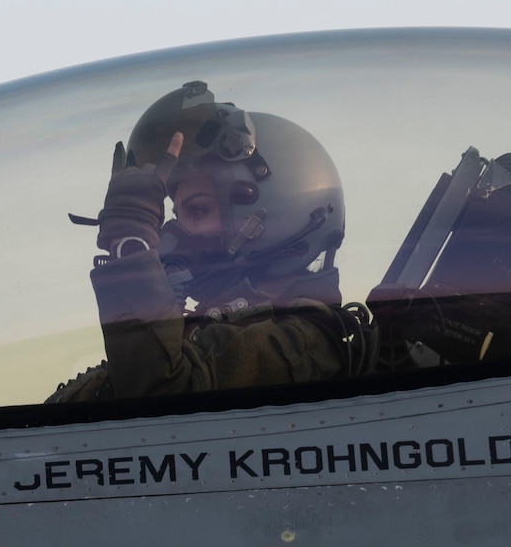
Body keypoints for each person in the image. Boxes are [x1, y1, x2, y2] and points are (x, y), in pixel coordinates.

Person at [51, 81, 368, 403]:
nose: (170, 236)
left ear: (272, 215)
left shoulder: (299, 343)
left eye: (198, 210)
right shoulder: (222, 329)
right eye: (175, 215)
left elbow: (164, 405)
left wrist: (131, 245)